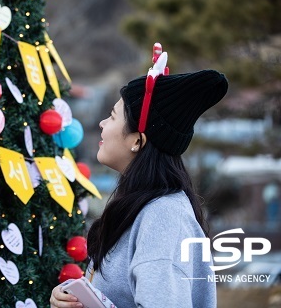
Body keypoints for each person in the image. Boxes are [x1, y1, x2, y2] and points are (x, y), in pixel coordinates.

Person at [50, 45, 229, 308]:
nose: (102, 124)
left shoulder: (163, 216)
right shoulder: (144, 207)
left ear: (137, 140)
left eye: (112, 117)